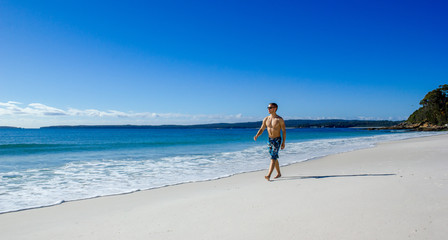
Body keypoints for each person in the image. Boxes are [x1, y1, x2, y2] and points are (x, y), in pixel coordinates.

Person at [253, 103, 286, 181]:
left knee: (273, 157)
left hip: (277, 140)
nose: (268, 109)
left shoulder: (279, 119)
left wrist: (283, 142)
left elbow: (284, 131)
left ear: (275, 108)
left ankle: (268, 175)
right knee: (274, 156)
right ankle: (279, 173)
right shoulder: (266, 119)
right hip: (269, 140)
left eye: (270, 108)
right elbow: (262, 129)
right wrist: (257, 135)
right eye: (268, 107)